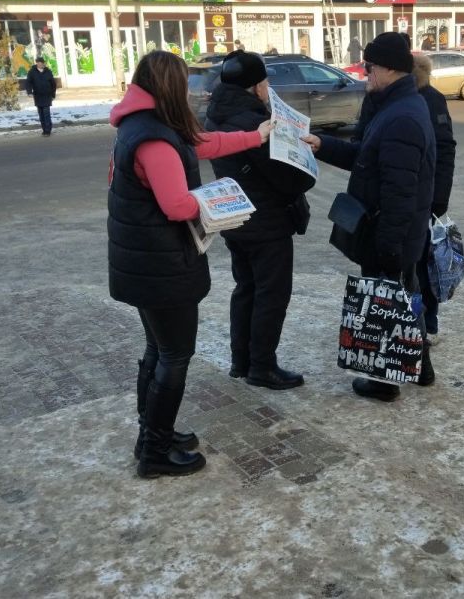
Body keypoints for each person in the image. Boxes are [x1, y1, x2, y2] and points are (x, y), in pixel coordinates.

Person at [108, 50, 274, 478]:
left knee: (158, 350)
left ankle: (153, 434)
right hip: (162, 265)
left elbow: (205, 142)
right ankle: (155, 452)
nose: (191, 90)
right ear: (168, 87)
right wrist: (217, 201)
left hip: (147, 260)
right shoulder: (155, 139)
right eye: (184, 83)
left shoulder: (146, 124)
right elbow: (177, 204)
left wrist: (256, 136)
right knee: (175, 355)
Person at [302, 32, 436, 402]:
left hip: (389, 231)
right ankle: (421, 367)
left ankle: (383, 382)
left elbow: (400, 193)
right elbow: (367, 158)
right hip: (392, 230)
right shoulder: (396, 106)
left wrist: (389, 246)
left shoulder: (402, 117)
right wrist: (322, 144)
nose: (365, 73)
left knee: (384, 301)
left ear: (390, 68)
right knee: (405, 297)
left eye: (370, 66)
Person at [205, 51, 316, 390]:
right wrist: (305, 162)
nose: (269, 88)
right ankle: (262, 367)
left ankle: (242, 361)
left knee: (246, 288)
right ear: (254, 86)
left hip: (236, 219)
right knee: (271, 294)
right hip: (267, 222)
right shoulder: (254, 123)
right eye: (266, 82)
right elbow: (288, 178)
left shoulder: (216, 114)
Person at [410, 53, 456, 345]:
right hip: (406, 197)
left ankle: (429, 324)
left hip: (427, 198)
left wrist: (440, 198)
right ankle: (413, 323)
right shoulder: (389, 99)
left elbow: (446, 150)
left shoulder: (432, 99)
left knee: (426, 265)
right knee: (412, 265)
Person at [26, 57, 56, 136]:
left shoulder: (48, 71)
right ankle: (44, 129)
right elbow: (28, 82)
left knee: (46, 113)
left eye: (42, 63)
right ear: (37, 63)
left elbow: (53, 84)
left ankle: (48, 130)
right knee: (41, 114)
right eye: (39, 63)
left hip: (47, 95)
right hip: (38, 95)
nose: (41, 64)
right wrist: (29, 92)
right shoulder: (32, 72)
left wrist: (53, 94)